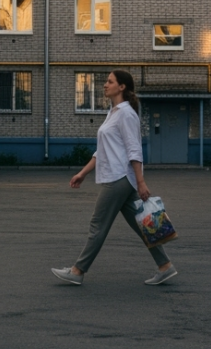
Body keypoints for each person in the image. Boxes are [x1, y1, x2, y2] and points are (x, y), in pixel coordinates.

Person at [51, 70, 178, 286]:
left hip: (120, 177)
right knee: (142, 225)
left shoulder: (126, 114)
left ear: (122, 87)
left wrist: (141, 182)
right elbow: (102, 151)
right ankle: (165, 266)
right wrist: (83, 173)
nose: (105, 85)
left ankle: (77, 271)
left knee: (97, 225)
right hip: (120, 177)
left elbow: (134, 150)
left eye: (110, 81)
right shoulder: (114, 112)